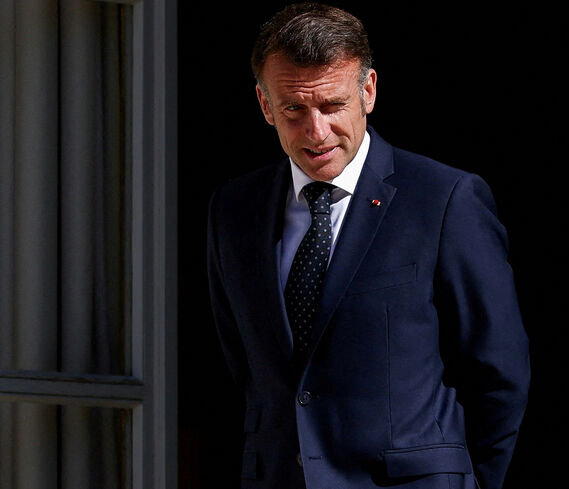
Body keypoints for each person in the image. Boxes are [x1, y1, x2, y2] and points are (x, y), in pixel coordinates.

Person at [206, 3, 530, 488]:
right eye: (294, 108)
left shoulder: (444, 200)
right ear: (265, 104)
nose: (316, 132)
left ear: (369, 92)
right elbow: (243, 371)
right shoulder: (234, 209)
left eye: (333, 106)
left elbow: (498, 375)